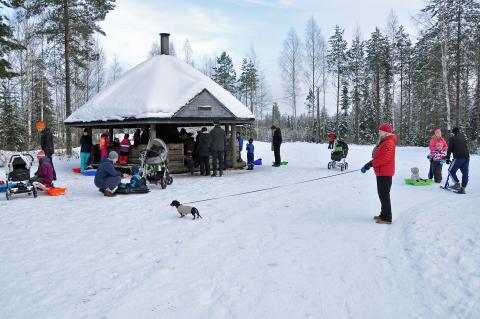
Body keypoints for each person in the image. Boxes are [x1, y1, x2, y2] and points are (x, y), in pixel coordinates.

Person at [361, 123, 396, 224]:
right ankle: (383, 214)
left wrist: (369, 164)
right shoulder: (384, 141)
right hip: (381, 171)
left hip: (385, 172)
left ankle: (387, 218)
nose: (379, 132)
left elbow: (384, 158)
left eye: (381, 130)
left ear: (386, 132)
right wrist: (371, 164)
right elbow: (379, 156)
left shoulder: (389, 142)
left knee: (384, 195)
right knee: (382, 194)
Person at [446, 127, 469, 194]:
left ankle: (457, 184)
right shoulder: (463, 137)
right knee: (465, 173)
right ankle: (463, 188)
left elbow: (449, 149)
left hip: (458, 157)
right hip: (467, 157)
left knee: (451, 170)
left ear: (453, 132)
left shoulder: (452, 138)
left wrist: (447, 158)